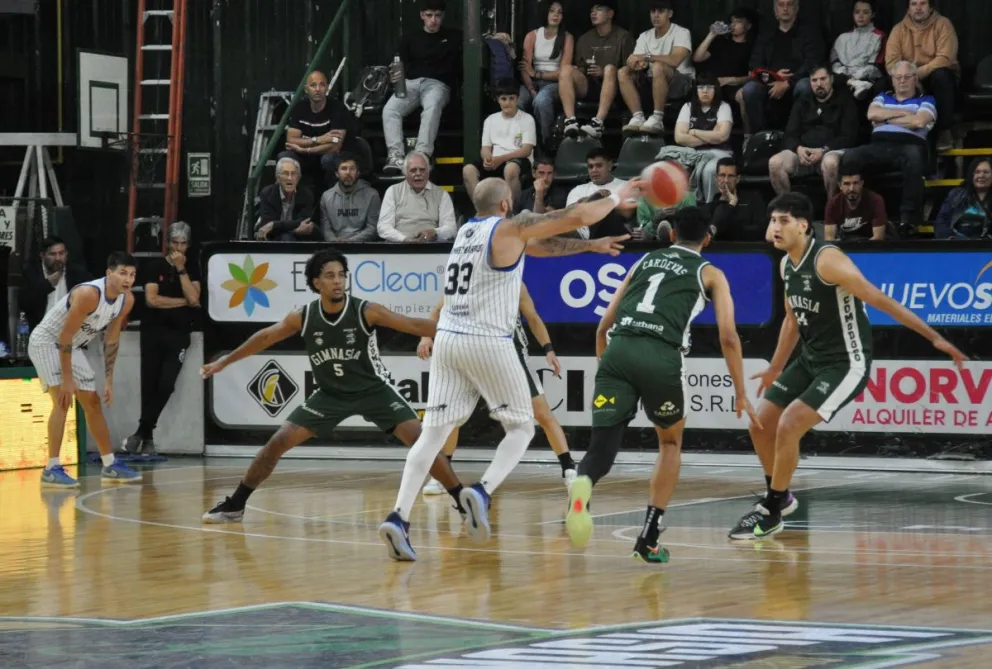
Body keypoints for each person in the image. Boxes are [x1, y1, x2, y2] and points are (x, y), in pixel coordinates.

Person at [377, 176, 640, 561]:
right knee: (521, 427)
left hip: (448, 338)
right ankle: (481, 491)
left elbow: (542, 245)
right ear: (505, 205)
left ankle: (398, 517)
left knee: (432, 435)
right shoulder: (509, 227)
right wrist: (615, 196)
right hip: (486, 339)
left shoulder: (468, 231)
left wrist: (590, 246)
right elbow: (575, 215)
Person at [728, 193, 967, 541]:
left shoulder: (827, 260)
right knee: (761, 422)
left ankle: (772, 508)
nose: (774, 228)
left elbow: (880, 299)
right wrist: (776, 367)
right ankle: (781, 497)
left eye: (782, 221)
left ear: (804, 225)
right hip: (811, 359)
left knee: (790, 424)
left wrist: (934, 338)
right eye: (772, 221)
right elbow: (792, 322)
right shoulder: (786, 265)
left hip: (846, 364)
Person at [201, 248, 464, 523]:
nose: (338, 281)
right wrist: (225, 361)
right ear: (317, 283)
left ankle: (463, 500)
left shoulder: (366, 310)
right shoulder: (303, 316)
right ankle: (235, 504)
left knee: (423, 444)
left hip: (374, 391)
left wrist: (459, 329)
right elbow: (265, 337)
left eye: (341, 275)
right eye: (330, 276)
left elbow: (411, 324)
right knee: (276, 443)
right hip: (330, 395)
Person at [565, 207, 760, 562]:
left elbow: (603, 325)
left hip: (618, 350)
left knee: (601, 448)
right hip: (661, 357)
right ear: (707, 240)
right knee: (669, 443)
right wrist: (741, 391)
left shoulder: (646, 261)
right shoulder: (711, 273)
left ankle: (584, 484)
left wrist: (607, 365)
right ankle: (649, 538)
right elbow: (729, 337)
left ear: (672, 235)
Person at [417, 283, 577, 496]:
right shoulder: (466, 278)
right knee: (452, 416)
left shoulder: (514, 283)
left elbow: (534, 318)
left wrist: (548, 349)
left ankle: (569, 470)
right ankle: (441, 477)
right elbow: (438, 309)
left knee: (541, 413)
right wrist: (426, 337)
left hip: (510, 353)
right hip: (471, 352)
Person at [28, 252, 142, 488]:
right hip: (47, 342)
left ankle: (109, 464)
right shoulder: (89, 294)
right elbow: (64, 335)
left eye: (131, 275)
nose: (127, 279)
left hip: (72, 346)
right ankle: (51, 468)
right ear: (109, 273)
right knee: (62, 399)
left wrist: (109, 379)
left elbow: (112, 339)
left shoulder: (126, 300)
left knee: (92, 401)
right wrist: (67, 380)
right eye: (122, 273)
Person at [123, 222, 201, 455]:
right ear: (168, 244)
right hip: (152, 332)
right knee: (149, 385)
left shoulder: (192, 267)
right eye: (175, 243)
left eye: (183, 243)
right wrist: (182, 302)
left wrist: (181, 270)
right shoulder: (153, 265)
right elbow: (152, 300)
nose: (178, 247)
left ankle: (140, 432)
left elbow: (195, 299)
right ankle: (147, 439)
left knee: (166, 384)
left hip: (178, 334)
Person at [839, 60, 935, 235]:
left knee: (914, 156)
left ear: (915, 79)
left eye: (907, 77)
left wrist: (886, 119)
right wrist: (905, 114)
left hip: (910, 145)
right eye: (898, 77)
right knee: (851, 157)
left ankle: (908, 220)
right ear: (892, 80)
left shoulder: (927, 99)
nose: (902, 81)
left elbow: (919, 121)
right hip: (879, 145)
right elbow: (872, 114)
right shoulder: (883, 96)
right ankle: (855, 214)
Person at [383, 0, 462, 172]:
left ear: (443, 16)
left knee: (432, 107)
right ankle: (395, 156)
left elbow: (476, 39)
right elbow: (397, 64)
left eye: (437, 16)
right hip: (411, 84)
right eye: (429, 15)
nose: (433, 20)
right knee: (390, 110)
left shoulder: (454, 36)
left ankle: (422, 155)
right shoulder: (409, 38)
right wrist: (393, 75)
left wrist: (497, 37)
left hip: (438, 85)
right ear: (422, 15)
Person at [768, 65, 859, 196]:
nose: (819, 84)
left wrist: (823, 150)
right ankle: (787, 206)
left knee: (831, 162)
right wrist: (798, 148)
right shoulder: (803, 100)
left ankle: (831, 208)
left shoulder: (845, 100)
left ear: (831, 79)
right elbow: (790, 133)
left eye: (823, 79)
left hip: (830, 151)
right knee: (775, 163)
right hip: (803, 154)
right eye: (814, 80)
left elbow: (848, 136)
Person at [737, 0, 824, 133]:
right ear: (775, 10)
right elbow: (755, 64)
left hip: (797, 81)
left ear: (796, 8)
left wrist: (788, 82)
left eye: (789, 4)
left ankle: (800, 134)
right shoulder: (766, 34)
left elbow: (813, 63)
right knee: (750, 89)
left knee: (805, 86)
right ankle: (760, 136)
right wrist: (773, 76)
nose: (785, 8)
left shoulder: (809, 33)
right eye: (781, 5)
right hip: (769, 81)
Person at [884, 0, 959, 151]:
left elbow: (945, 58)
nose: (918, 8)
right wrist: (908, 77)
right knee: (882, 83)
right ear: (908, 8)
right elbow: (892, 63)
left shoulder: (943, 24)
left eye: (923, 3)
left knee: (941, 76)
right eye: (913, 4)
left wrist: (916, 75)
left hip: (935, 75)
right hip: (908, 77)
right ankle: (885, 131)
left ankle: (944, 132)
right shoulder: (898, 29)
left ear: (930, 7)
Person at [559, 1, 635, 139]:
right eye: (592, 11)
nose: (593, 13)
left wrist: (602, 72)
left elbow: (629, 69)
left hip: (615, 87)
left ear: (610, 14)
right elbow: (579, 65)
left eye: (598, 9)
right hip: (589, 85)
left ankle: (598, 122)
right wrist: (581, 69)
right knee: (566, 70)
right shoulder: (585, 38)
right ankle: (570, 121)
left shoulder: (623, 37)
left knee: (610, 69)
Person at [619, 0, 695, 135]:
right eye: (653, 12)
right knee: (623, 72)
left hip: (682, 82)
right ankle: (637, 117)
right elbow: (637, 59)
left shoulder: (682, 32)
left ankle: (658, 118)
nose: (656, 15)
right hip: (651, 80)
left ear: (670, 14)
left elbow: (675, 60)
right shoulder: (645, 35)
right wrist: (635, 63)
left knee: (659, 67)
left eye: (661, 12)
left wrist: (647, 58)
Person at [463, 81, 536, 204]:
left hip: (518, 159)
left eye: (511, 98)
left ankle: (511, 213)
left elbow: (526, 150)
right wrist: (487, 158)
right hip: (496, 160)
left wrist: (501, 159)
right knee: (468, 170)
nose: (507, 103)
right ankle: (482, 210)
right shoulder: (490, 120)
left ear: (517, 99)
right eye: (504, 99)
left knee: (510, 169)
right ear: (498, 100)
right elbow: (485, 148)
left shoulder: (527, 119)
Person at [283, 70, 357, 187]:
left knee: (328, 159)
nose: (317, 89)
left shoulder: (337, 108)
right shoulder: (300, 108)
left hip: (331, 155)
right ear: (306, 89)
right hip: (308, 156)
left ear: (327, 88)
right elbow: (291, 140)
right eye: (313, 85)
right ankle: (290, 200)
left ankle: (333, 199)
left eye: (322, 85)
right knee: (285, 157)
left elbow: (335, 145)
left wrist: (305, 150)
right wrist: (318, 140)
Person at [518, 1, 574, 148]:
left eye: (559, 12)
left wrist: (537, 74)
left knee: (541, 101)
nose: (555, 15)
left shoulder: (567, 37)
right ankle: (521, 144)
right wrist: (531, 88)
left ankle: (547, 143)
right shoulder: (532, 35)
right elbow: (525, 68)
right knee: (518, 102)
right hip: (531, 82)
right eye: (552, 11)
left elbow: (563, 72)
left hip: (555, 83)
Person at [671, 74, 734, 202]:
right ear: (696, 90)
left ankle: (709, 205)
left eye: (710, 87)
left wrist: (693, 131)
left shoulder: (723, 107)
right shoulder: (688, 107)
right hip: (692, 153)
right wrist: (711, 135)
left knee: (710, 170)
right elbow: (679, 137)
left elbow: (723, 136)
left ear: (716, 90)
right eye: (701, 87)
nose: (705, 91)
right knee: (676, 169)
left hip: (720, 152)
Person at [377, 152, 457, 243]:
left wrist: (435, 232)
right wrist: (404, 239)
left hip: (430, 248)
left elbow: (451, 229)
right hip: (399, 247)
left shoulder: (442, 194)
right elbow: (383, 227)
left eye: (422, 170)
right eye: (413, 170)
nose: (418, 174)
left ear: (428, 171)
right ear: (405, 173)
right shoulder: (393, 191)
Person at [20, 236, 91, 330]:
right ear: (42, 255)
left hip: (70, 331)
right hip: (41, 331)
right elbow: (24, 303)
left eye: (61, 253)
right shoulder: (31, 274)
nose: (58, 258)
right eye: (52, 254)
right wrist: (48, 284)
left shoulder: (77, 274)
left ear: (66, 253)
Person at [692, 7, 757, 102]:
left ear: (748, 26)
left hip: (733, 86)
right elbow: (697, 58)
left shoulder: (752, 48)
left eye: (738, 22)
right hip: (712, 83)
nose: (733, 25)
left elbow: (752, 76)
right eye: (732, 21)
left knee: (743, 95)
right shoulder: (721, 41)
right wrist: (711, 34)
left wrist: (730, 80)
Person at [830, 0, 885, 99]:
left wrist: (856, 76)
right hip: (842, 78)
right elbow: (835, 62)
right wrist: (846, 77)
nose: (860, 16)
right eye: (857, 12)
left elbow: (876, 66)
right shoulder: (842, 38)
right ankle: (854, 84)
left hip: (866, 80)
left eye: (865, 12)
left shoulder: (879, 37)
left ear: (872, 15)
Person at [319, 154, 380, 242]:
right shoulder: (326, 196)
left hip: (363, 246)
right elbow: (326, 228)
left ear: (358, 173)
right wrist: (333, 241)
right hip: (334, 245)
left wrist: (350, 241)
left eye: (352, 169)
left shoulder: (372, 195)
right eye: (344, 168)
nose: (348, 172)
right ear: (337, 174)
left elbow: (373, 228)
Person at [255, 157, 318, 241]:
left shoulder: (306, 194)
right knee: (286, 237)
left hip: (301, 237)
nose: (290, 178)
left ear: (298, 178)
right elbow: (266, 225)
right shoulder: (267, 193)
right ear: (278, 177)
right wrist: (294, 230)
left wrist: (274, 224)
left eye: (293, 174)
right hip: (274, 238)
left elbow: (303, 221)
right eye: (285, 173)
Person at [824, 164, 888, 241]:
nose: (851, 189)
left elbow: (878, 238)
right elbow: (829, 239)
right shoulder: (833, 204)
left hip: (869, 246)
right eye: (847, 184)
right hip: (845, 246)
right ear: (840, 185)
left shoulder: (876, 200)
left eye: (855, 183)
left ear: (861, 184)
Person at [708, 158, 767, 242]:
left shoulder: (753, 198)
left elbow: (760, 231)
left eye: (731, 176)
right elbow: (712, 232)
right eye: (722, 175)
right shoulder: (712, 204)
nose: (726, 181)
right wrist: (730, 205)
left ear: (738, 179)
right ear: (716, 178)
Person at [933, 156, 992, 239]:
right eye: (977, 172)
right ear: (971, 175)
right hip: (955, 245)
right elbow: (941, 222)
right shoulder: (956, 195)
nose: (981, 175)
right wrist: (951, 239)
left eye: (986, 172)